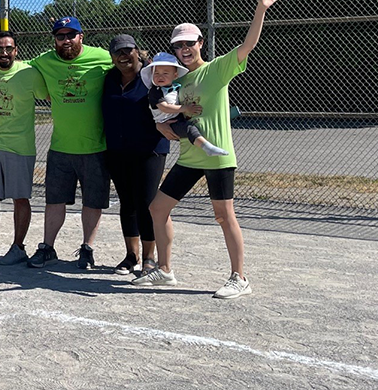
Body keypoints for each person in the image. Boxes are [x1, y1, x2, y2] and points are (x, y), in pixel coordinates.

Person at [133, 0, 283, 299]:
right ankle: (165, 270)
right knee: (157, 209)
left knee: (223, 216)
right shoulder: (175, 78)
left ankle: (239, 277)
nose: (185, 49)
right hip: (189, 157)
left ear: (201, 42)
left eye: (190, 43)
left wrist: (261, 8)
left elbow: (249, 44)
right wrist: (162, 128)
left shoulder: (217, 68)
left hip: (217, 157)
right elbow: (164, 113)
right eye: (179, 45)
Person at [25, 16, 113, 269]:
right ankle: (47, 247)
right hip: (60, 147)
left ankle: (87, 249)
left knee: (92, 202)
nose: (66, 40)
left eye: (71, 35)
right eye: (60, 36)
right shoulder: (45, 60)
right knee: (54, 201)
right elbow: (18, 66)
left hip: (95, 147)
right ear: (54, 39)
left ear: (81, 36)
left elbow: (129, 66)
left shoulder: (102, 57)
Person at [0, 31, 48, 266]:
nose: (4, 52)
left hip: (20, 147)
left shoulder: (29, 73)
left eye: (8, 48)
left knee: (20, 198)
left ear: (16, 51)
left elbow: (46, 94)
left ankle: (18, 247)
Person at [101, 35, 167, 276]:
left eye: (128, 50)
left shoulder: (151, 76)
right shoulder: (109, 79)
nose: (123, 56)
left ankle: (150, 257)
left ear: (137, 52)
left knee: (146, 203)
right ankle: (132, 256)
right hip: (117, 150)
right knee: (127, 202)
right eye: (118, 52)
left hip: (150, 149)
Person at [142, 53, 228, 157]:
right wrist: (185, 108)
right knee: (189, 129)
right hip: (167, 122)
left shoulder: (177, 87)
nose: (160, 76)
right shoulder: (155, 91)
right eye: (156, 73)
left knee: (198, 126)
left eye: (165, 73)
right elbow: (165, 107)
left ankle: (206, 143)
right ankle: (207, 148)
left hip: (178, 117)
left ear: (175, 75)